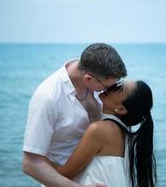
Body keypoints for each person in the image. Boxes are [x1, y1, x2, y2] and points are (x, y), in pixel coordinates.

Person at [22, 43, 127, 187]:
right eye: (108, 87)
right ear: (88, 79)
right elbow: (30, 164)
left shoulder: (95, 74)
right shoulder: (47, 97)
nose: (110, 91)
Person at [48, 80, 157, 187]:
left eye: (119, 87)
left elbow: (65, 175)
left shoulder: (100, 130)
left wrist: (38, 158)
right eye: (118, 82)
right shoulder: (127, 134)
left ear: (121, 109)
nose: (113, 85)